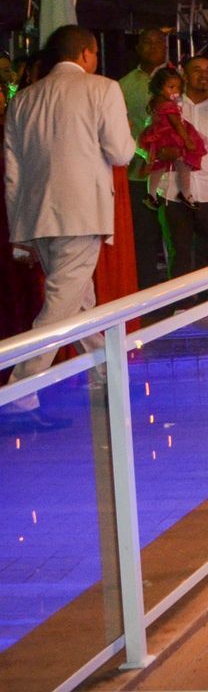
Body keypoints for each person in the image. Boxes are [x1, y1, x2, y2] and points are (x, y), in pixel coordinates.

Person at [1, 26, 137, 430]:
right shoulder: (103, 89)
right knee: (61, 307)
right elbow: (120, 151)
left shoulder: (23, 99)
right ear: (86, 53)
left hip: (36, 215)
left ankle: (108, 377)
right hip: (80, 213)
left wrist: (18, 232)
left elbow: (12, 172)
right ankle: (17, 394)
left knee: (79, 301)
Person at [149, 56, 208, 278]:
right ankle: (182, 306)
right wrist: (161, 152)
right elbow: (149, 142)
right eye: (197, 70)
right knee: (179, 252)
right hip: (173, 190)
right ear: (184, 74)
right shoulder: (171, 104)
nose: (204, 74)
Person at [118, 27, 170, 290]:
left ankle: (181, 292)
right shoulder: (124, 85)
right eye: (146, 42)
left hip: (173, 171)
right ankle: (147, 293)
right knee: (144, 235)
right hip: (140, 171)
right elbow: (120, 129)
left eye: (158, 42)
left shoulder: (179, 79)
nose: (153, 46)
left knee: (177, 235)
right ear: (137, 48)